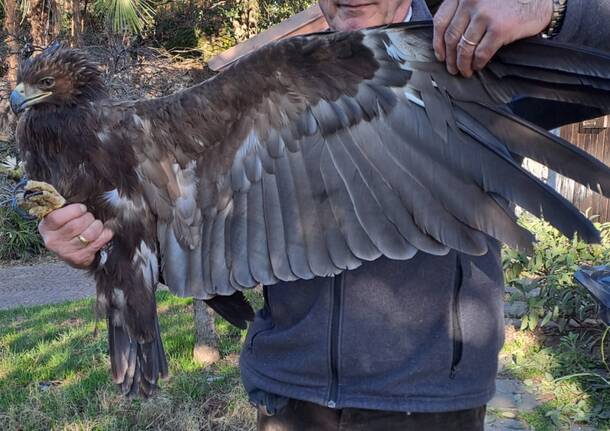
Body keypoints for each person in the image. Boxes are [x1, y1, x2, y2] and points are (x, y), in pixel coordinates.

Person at [38, 0, 610, 429]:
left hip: (426, 402)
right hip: (291, 393)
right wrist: (97, 245)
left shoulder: (479, 45)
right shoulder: (271, 82)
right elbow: (178, 234)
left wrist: (555, 11)